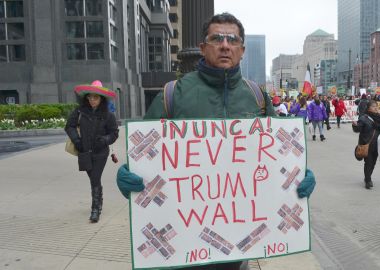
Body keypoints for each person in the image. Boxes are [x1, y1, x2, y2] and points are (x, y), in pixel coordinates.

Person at [116, 13, 316, 270]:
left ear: (242, 50)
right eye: (216, 38)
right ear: (202, 48)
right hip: (181, 253)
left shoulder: (257, 97)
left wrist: (298, 179)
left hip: (236, 255)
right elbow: (142, 161)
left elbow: (280, 157)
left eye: (232, 39)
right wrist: (130, 179)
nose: (225, 45)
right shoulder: (171, 95)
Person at [65, 80, 119, 223]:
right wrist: (77, 141)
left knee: (95, 177)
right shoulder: (79, 112)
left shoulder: (108, 115)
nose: (92, 100)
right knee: (93, 179)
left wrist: (105, 140)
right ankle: (99, 200)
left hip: (101, 152)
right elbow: (69, 126)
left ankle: (95, 209)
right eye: (90, 97)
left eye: (95, 97)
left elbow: (114, 133)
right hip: (84, 151)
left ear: (101, 99)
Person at [352, 100, 380, 189]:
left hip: (377, 144)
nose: (376, 108)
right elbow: (358, 129)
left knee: (373, 163)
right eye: (373, 106)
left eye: (377, 106)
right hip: (367, 144)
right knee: (368, 162)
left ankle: (367, 177)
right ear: (369, 108)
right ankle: (368, 180)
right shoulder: (363, 118)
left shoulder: (379, 118)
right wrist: (355, 125)